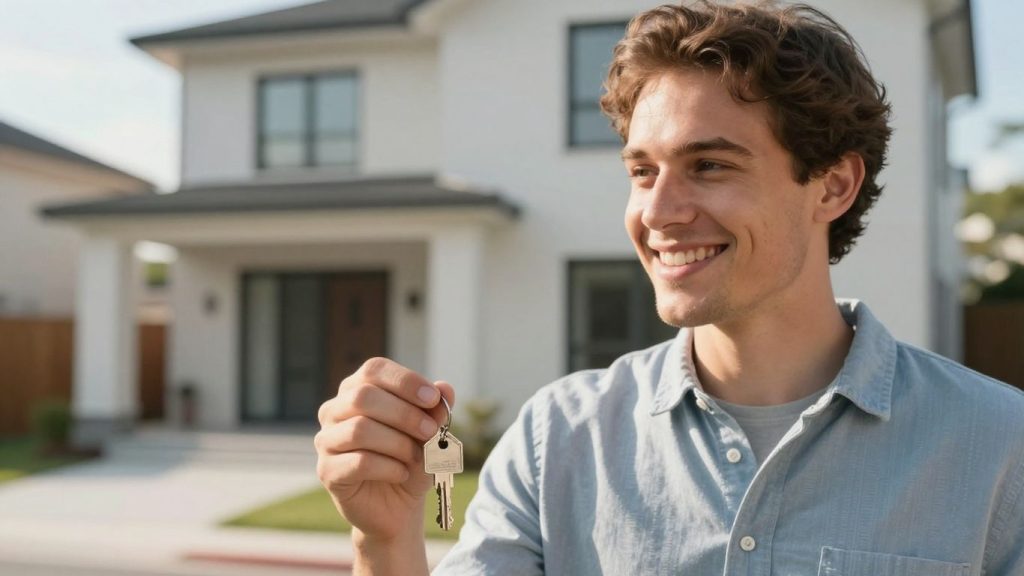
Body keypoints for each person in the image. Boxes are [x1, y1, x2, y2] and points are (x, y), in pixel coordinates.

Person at [314, 1, 1024, 574]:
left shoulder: (1000, 449)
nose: (656, 213)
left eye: (709, 165)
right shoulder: (556, 440)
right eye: (642, 170)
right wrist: (384, 544)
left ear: (833, 185)